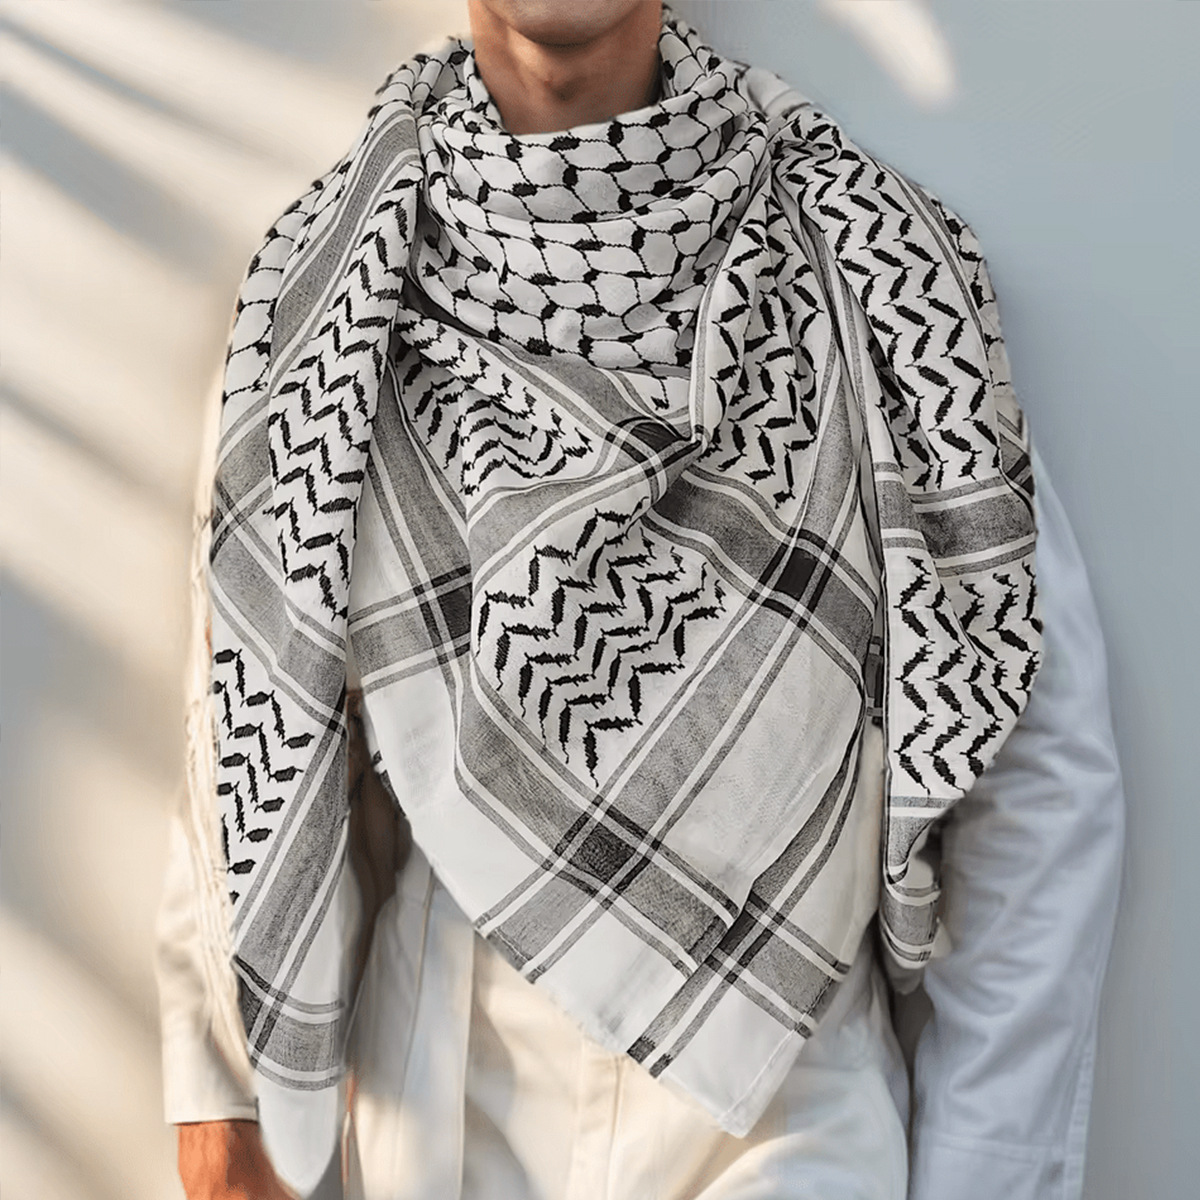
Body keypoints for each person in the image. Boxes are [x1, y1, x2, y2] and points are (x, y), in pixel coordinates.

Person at [155, 3, 1125, 1198]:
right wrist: (225, 1101)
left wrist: (987, 1171)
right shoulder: (327, 295)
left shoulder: (875, 267)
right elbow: (244, 719)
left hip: (785, 1115)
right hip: (445, 1103)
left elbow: (1027, 760)